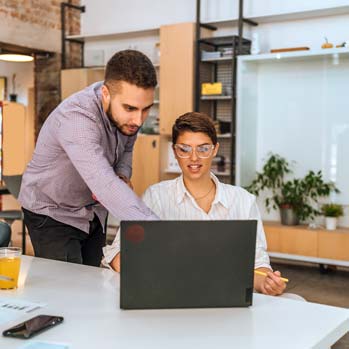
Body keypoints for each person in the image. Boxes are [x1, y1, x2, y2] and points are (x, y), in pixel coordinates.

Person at [104, 112, 287, 296]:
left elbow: (257, 264)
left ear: (215, 149)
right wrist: (152, 271)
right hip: (170, 297)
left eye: (203, 149)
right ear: (175, 151)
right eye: (185, 149)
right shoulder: (156, 197)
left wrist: (266, 282)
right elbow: (116, 252)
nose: (194, 158)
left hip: (226, 301)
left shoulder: (243, 201)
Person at [19, 50, 159, 267]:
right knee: (68, 290)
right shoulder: (77, 118)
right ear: (106, 94)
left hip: (92, 211)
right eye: (130, 108)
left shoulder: (128, 118)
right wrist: (160, 234)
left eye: (146, 109)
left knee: (93, 282)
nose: (138, 120)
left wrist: (122, 173)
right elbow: (102, 182)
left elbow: (127, 149)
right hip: (53, 211)